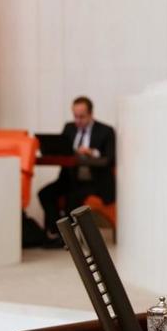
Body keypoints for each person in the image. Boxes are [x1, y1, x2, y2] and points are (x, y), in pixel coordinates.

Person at [38, 96, 116, 247]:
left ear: (91, 114)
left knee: (72, 197)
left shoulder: (105, 131)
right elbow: (63, 152)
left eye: (82, 116)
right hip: (70, 179)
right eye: (75, 116)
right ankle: (59, 234)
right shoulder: (69, 128)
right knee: (45, 194)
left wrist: (92, 153)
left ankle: (69, 239)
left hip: (95, 183)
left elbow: (109, 159)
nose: (78, 120)